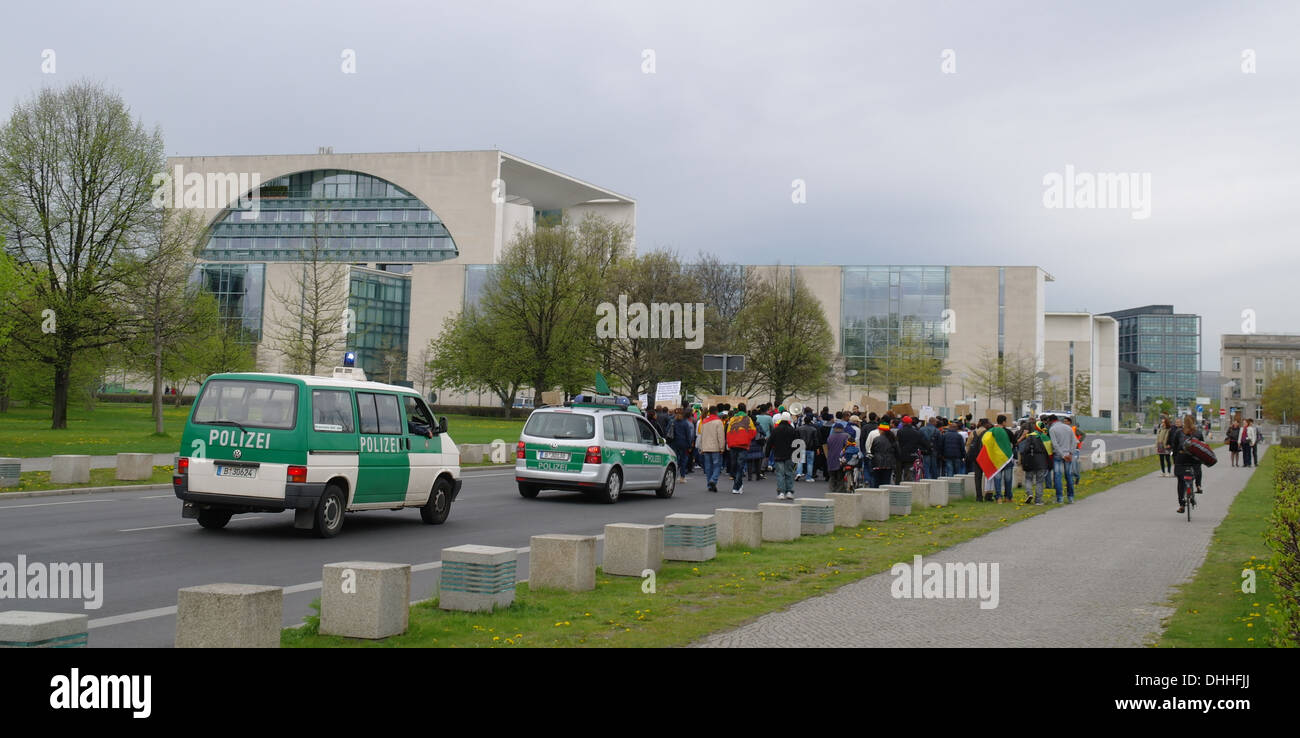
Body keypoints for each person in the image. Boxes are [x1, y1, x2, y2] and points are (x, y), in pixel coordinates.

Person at [1168, 415, 1204, 513]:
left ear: (1184, 422)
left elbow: (1174, 447)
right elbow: (1202, 448)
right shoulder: (1198, 433)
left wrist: (1175, 460)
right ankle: (1198, 485)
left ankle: (1182, 505)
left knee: (1180, 482)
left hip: (1182, 460)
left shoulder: (1179, 432)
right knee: (1196, 470)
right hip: (1194, 460)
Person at [725, 403, 757, 495]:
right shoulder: (748, 419)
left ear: (738, 409)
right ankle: (737, 486)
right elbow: (753, 432)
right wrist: (747, 438)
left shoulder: (732, 419)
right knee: (740, 466)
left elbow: (728, 432)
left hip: (733, 445)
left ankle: (737, 486)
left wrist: (729, 442)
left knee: (734, 466)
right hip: (743, 445)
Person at [766, 412, 799, 500]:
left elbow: (769, 443)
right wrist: (798, 455)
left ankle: (781, 492)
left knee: (780, 474)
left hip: (778, 454)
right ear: (789, 420)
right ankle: (789, 491)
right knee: (789, 473)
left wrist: (767, 454)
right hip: (790, 455)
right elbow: (797, 443)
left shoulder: (776, 430)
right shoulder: (792, 430)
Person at [1017, 422, 1051, 505]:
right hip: (1042, 462)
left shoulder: (1030, 436)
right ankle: (1038, 500)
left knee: (1029, 478)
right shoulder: (1045, 437)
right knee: (1039, 481)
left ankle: (1029, 493)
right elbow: (1049, 452)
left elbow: (1025, 449)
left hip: (1030, 461)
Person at [986, 415, 1016, 503]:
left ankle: (998, 497)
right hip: (1007, 457)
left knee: (997, 479)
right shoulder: (1008, 432)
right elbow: (1015, 442)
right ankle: (1008, 497)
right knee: (1008, 479)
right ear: (1003, 422)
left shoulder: (992, 431)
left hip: (996, 459)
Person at [1047, 414, 1076, 504]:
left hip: (1058, 455)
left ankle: (1060, 498)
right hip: (1068, 454)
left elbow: (1055, 444)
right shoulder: (1068, 427)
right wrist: (1070, 453)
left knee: (1058, 476)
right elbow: (1074, 441)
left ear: (1051, 421)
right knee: (1069, 476)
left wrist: (1063, 455)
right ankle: (1070, 497)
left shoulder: (1052, 429)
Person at [697, 406, 726, 492]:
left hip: (705, 447)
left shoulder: (704, 421)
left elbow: (701, 435)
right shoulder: (718, 422)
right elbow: (720, 436)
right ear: (716, 412)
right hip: (715, 447)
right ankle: (713, 480)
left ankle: (709, 484)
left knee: (708, 467)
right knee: (717, 465)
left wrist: (701, 447)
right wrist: (722, 447)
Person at [869, 423, 901, 488]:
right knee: (886, 482)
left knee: (877, 481)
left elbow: (872, 451)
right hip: (889, 464)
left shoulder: (876, 439)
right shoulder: (893, 439)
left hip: (877, 463)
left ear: (882, 430)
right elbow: (898, 452)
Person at [669, 408, 695, 482]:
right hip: (684, 444)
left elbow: (669, 432)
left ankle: (673, 475)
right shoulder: (685, 423)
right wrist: (690, 445)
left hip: (675, 443)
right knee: (683, 460)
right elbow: (688, 435)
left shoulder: (673, 422)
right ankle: (682, 477)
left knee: (675, 459)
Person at [825, 421, 851, 493]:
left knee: (832, 477)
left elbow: (828, 447)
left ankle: (832, 491)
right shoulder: (846, 436)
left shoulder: (830, 436)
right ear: (842, 428)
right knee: (840, 477)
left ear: (835, 428)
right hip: (841, 459)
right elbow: (848, 447)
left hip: (831, 459)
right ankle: (839, 492)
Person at [795, 413, 819, 482]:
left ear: (804, 421)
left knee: (800, 461)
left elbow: (796, 438)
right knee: (810, 463)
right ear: (810, 421)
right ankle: (808, 477)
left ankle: (799, 473)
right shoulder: (814, 429)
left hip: (801, 447)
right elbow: (815, 440)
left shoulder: (799, 428)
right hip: (810, 448)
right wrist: (817, 448)